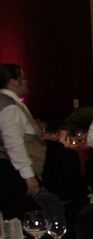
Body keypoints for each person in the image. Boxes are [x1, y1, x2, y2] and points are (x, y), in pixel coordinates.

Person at [0, 63, 54, 218]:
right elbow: (14, 143)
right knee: (25, 216)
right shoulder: (10, 107)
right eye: (22, 78)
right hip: (12, 171)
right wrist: (28, 176)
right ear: (13, 82)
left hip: (9, 168)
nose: (26, 82)